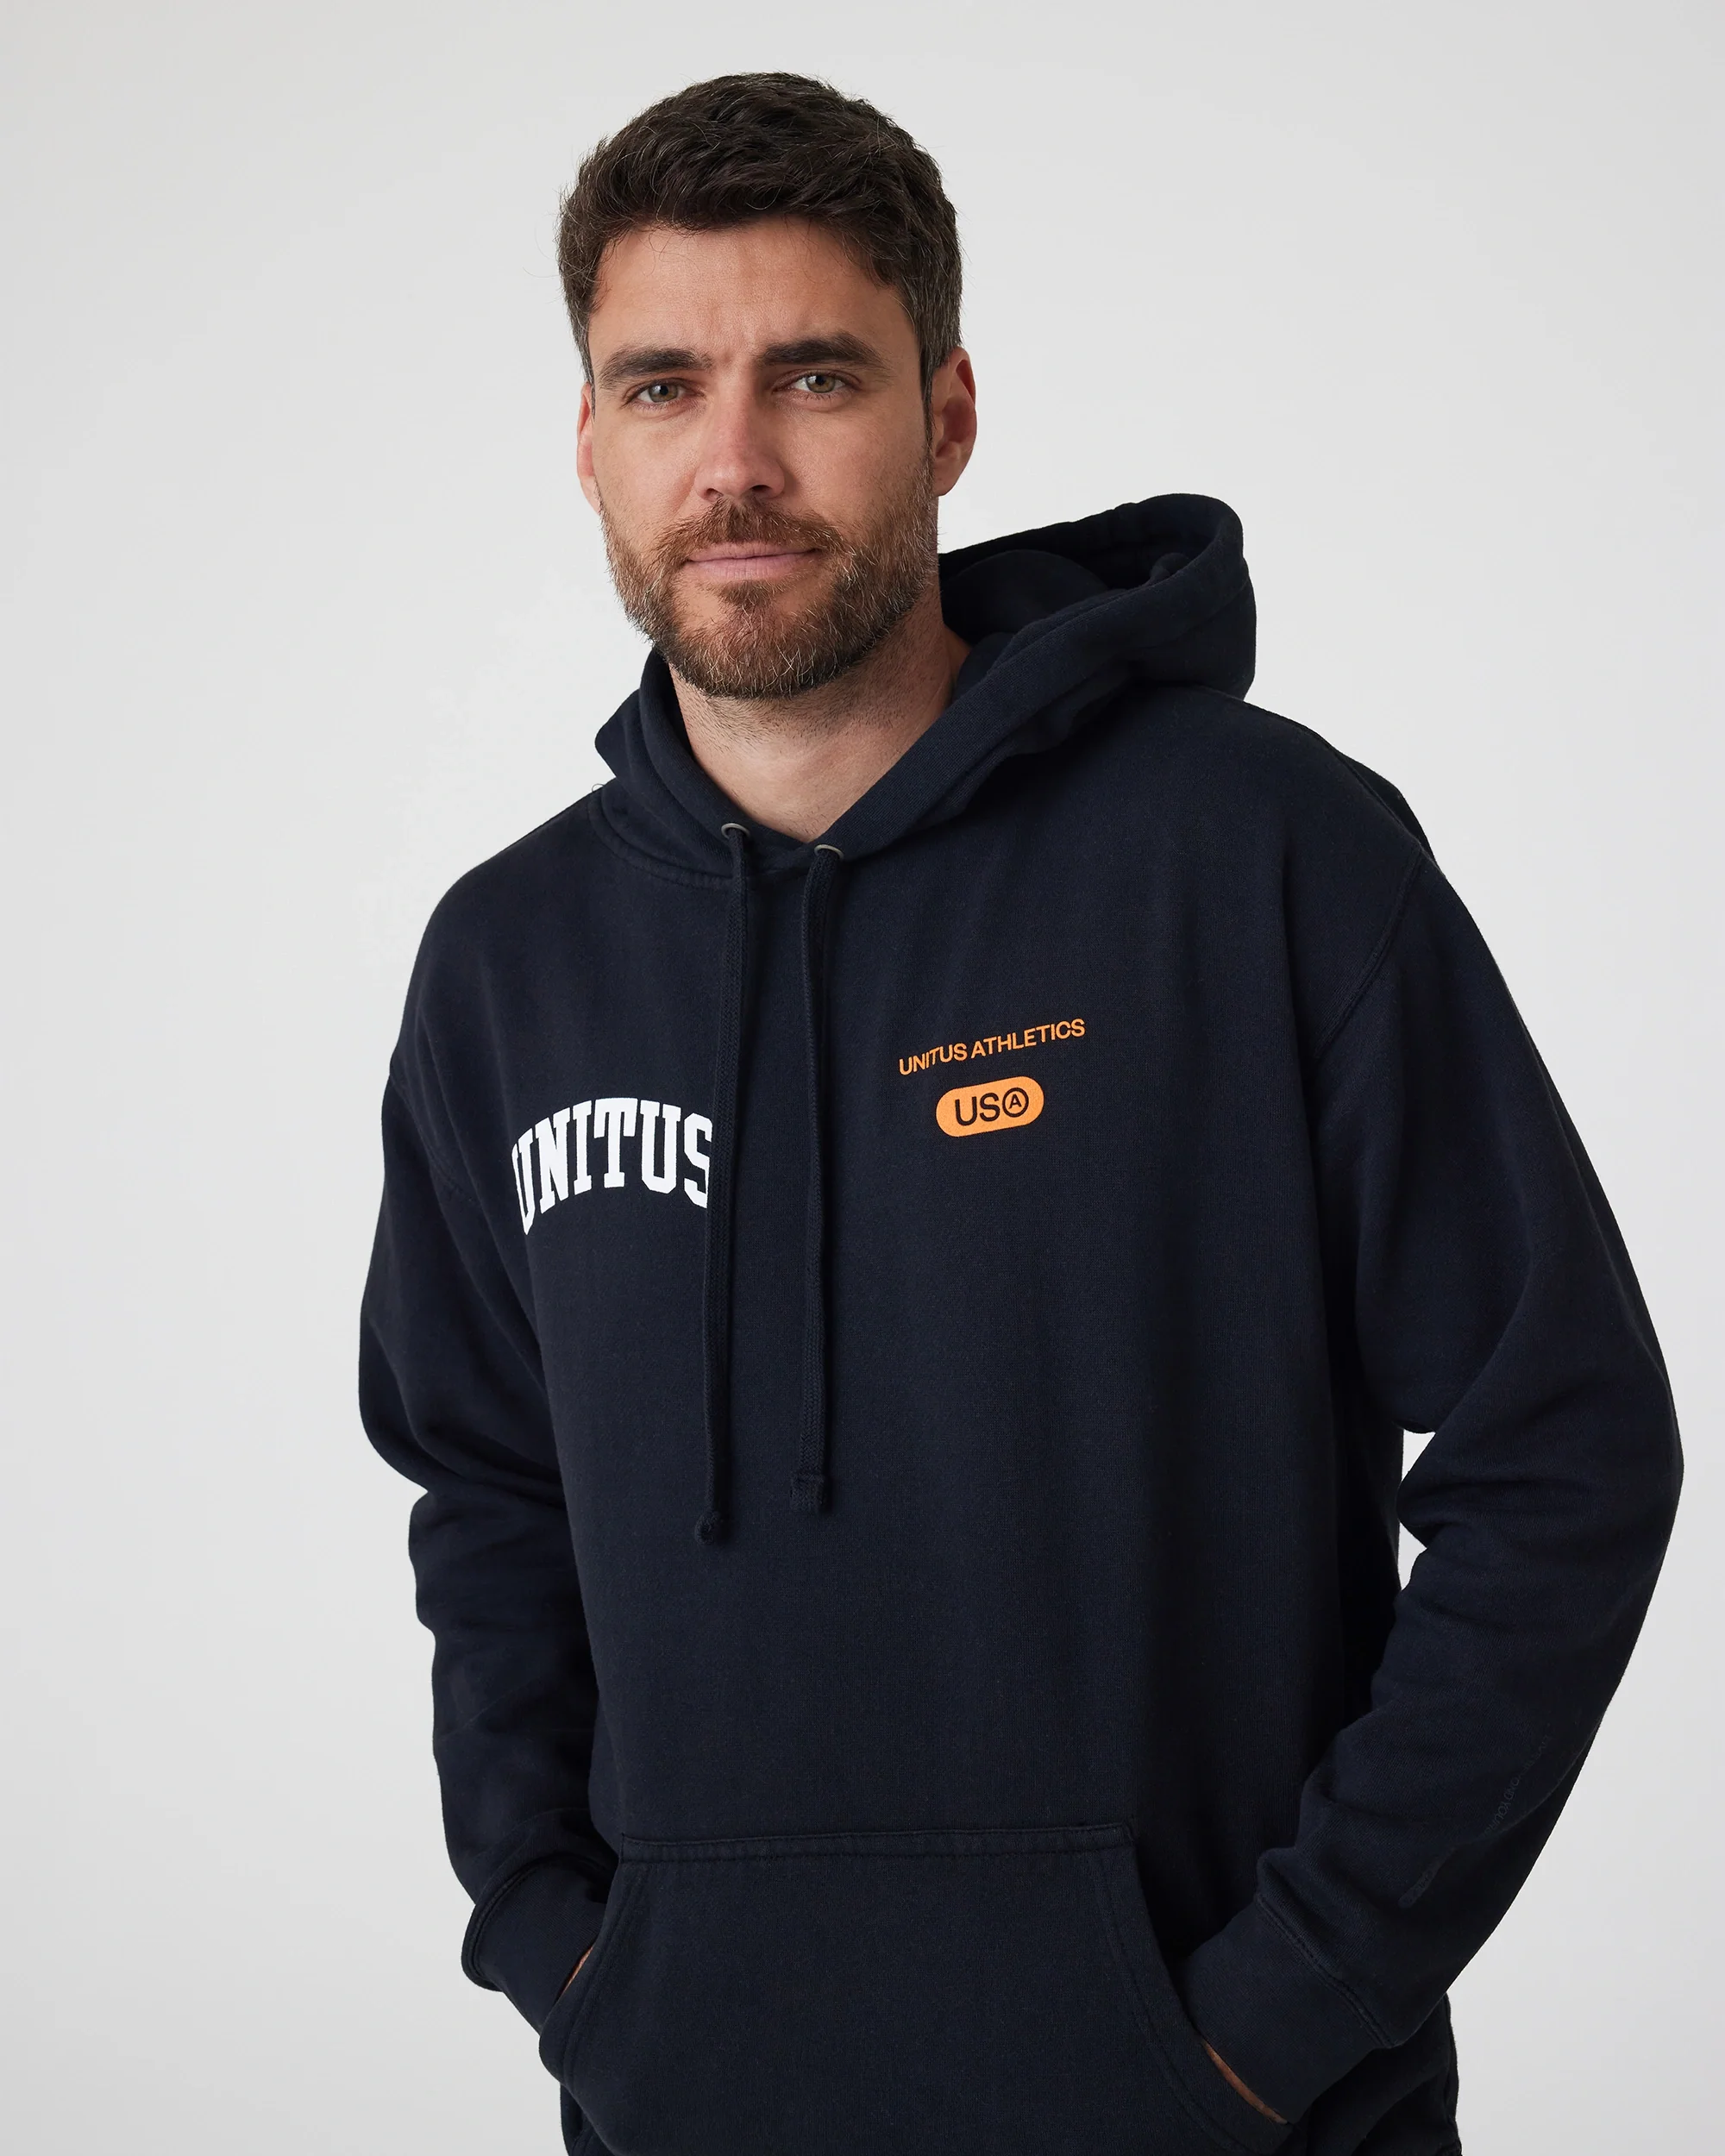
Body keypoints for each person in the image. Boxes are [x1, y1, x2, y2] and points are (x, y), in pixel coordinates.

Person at [358, 72, 1681, 2156]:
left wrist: (1274, 2011)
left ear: (948, 416)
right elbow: (485, 1496)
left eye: (815, 375)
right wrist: (571, 1955)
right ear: (589, 438)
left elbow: (1565, 1445)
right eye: (661, 385)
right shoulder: (507, 963)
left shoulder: (1258, 853)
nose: (734, 460)